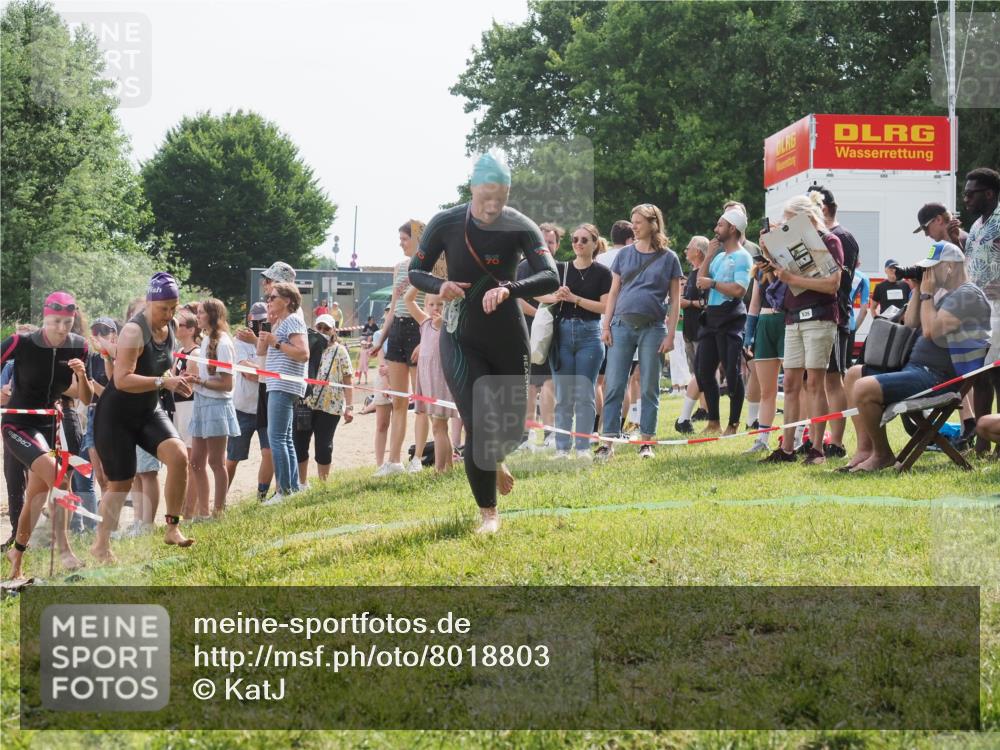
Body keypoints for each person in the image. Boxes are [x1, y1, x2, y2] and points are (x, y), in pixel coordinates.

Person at [409, 151, 558, 533]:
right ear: (472, 188)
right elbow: (416, 271)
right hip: (462, 333)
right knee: (477, 422)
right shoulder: (446, 222)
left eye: (501, 197)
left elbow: (550, 276)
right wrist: (439, 286)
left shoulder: (519, 225)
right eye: (485, 196)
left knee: (508, 428)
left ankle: (495, 457)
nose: (493, 206)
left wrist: (511, 288)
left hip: (507, 332)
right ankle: (488, 514)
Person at [843, 242, 990, 472]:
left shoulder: (968, 296)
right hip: (917, 371)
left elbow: (931, 331)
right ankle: (865, 450)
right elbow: (911, 323)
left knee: (862, 388)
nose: (927, 272)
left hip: (939, 379)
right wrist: (919, 289)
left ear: (950, 267)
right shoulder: (944, 294)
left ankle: (882, 455)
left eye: (932, 267)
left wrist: (928, 293)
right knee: (853, 374)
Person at [90, 273, 195, 562]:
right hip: (116, 417)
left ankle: (172, 528)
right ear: (149, 302)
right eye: (164, 308)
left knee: (178, 456)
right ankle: (101, 545)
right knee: (120, 483)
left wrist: (176, 378)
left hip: (147, 409)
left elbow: (160, 367)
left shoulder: (171, 326)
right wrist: (164, 383)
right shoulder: (134, 332)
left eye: (174, 307)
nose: (169, 314)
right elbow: (122, 380)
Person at [2, 293, 92, 578]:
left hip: (49, 426)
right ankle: (65, 550)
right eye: (56, 322)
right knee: (60, 476)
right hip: (17, 424)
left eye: (68, 322)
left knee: (36, 496)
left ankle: (16, 553)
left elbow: (85, 398)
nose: (62, 328)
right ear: (45, 317)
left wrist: (82, 375)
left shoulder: (79, 347)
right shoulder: (22, 342)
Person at [761, 193, 844, 466]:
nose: (785, 225)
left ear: (805, 218)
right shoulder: (793, 243)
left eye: (788, 219)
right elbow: (780, 276)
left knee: (814, 383)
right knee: (792, 383)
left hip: (819, 318)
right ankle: (787, 448)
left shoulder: (830, 241)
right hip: (793, 318)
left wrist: (792, 278)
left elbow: (832, 285)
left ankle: (817, 448)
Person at [598, 203, 682, 459]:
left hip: (653, 328)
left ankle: (647, 442)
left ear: (653, 224)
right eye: (632, 222)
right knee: (614, 385)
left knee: (649, 387)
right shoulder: (623, 255)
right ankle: (607, 443)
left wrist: (670, 335)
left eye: (638, 222)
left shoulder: (669, 258)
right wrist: (606, 325)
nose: (633, 226)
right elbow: (613, 292)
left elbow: (676, 299)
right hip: (621, 326)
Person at [540, 223, 611, 458]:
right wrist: (556, 296)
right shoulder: (561, 268)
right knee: (563, 395)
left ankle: (582, 447)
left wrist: (575, 298)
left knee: (585, 393)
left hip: (590, 334)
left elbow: (604, 306)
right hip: (562, 333)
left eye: (584, 240)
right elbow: (537, 292)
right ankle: (562, 448)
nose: (578, 244)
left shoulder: (602, 273)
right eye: (575, 240)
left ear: (594, 244)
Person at [371, 220, 426, 476]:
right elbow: (393, 307)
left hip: (419, 330)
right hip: (398, 332)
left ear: (416, 238)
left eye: (404, 238)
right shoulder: (399, 268)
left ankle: (418, 457)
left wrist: (426, 340)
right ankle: (394, 461)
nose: (401, 243)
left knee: (421, 400)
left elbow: (438, 308)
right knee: (399, 401)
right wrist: (380, 340)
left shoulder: (431, 266)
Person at [695, 207, 754, 435]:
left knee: (732, 372)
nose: (715, 229)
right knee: (703, 372)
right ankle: (713, 422)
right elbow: (700, 281)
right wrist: (708, 255)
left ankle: (733, 423)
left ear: (732, 228)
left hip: (731, 319)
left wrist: (714, 284)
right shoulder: (719, 257)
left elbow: (739, 289)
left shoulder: (743, 256)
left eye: (720, 225)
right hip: (711, 318)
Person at [959, 167, 1000, 457]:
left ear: (989, 193)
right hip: (977, 311)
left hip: (999, 310)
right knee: (980, 375)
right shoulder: (976, 226)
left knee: (998, 374)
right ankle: (982, 442)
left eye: (970, 193)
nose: (965, 198)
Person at [187, 298, 240, 518]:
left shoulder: (223, 343)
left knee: (216, 461)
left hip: (217, 406)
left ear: (212, 315)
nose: (197, 316)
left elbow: (227, 384)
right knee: (196, 461)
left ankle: (219, 511)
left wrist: (200, 382)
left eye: (201, 312)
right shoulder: (206, 339)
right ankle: (204, 512)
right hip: (201, 403)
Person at [257, 281, 309, 501]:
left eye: (273, 297)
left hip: (284, 384)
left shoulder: (293, 320)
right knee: (284, 438)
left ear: (287, 301)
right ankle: (291, 488)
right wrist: (268, 330)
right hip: (279, 384)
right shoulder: (280, 323)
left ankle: (284, 490)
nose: (268, 301)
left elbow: (303, 353)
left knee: (276, 437)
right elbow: (261, 351)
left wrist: (276, 343)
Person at [515, 222, 563, 452]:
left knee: (549, 383)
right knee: (530, 386)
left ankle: (550, 434)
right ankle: (526, 437)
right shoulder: (525, 267)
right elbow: (518, 299)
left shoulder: (560, 268)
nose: (547, 246)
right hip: (529, 332)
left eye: (551, 242)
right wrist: (541, 316)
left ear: (557, 244)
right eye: (543, 241)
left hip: (554, 334)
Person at [405, 288, 458, 472]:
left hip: (441, 381)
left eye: (441, 304)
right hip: (427, 380)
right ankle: (449, 467)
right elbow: (408, 299)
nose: (436, 308)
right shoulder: (424, 322)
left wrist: (443, 320)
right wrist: (422, 281)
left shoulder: (450, 324)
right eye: (432, 304)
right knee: (439, 426)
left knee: (438, 426)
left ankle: (439, 469)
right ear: (426, 305)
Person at [226, 302, 273, 499]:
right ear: (250, 320)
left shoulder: (270, 339)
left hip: (265, 407)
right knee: (232, 458)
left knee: (269, 453)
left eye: (265, 321)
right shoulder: (239, 340)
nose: (261, 324)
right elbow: (249, 372)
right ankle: (221, 498)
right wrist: (263, 370)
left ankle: (261, 496)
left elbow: (273, 370)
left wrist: (257, 342)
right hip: (242, 408)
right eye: (257, 320)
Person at [299, 314, 354, 480]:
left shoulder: (340, 351)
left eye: (326, 328)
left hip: (330, 405)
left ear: (333, 331)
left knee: (323, 446)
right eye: (319, 328)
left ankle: (323, 483)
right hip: (306, 403)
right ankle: (302, 483)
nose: (322, 331)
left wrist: (349, 407)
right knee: (300, 444)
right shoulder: (308, 347)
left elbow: (347, 378)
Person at [743, 246, 787, 453]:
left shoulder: (788, 266)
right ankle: (762, 439)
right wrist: (748, 334)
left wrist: (775, 270)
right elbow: (754, 304)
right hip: (765, 323)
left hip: (786, 322)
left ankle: (797, 437)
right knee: (767, 389)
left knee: (796, 386)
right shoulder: (758, 270)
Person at [171, 308, 201, 519]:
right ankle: (184, 507)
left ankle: (191, 510)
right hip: (178, 408)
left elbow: (190, 387)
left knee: (192, 461)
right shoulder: (179, 352)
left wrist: (174, 381)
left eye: (180, 325)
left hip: (189, 407)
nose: (176, 328)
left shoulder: (196, 353)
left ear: (190, 329)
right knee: (183, 460)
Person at [356, 316, 379, 383]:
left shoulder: (375, 325)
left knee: (370, 337)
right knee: (362, 337)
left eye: (373, 320)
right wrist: (365, 334)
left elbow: (377, 332)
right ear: (369, 320)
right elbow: (363, 332)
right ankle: (359, 380)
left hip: (371, 338)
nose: (372, 321)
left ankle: (366, 380)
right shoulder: (366, 325)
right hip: (366, 336)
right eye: (371, 320)